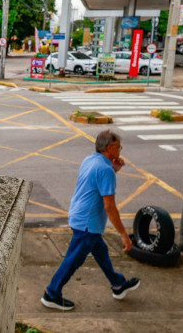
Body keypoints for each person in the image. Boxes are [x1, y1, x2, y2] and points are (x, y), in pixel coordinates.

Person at [41, 130, 140, 311]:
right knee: (73, 260)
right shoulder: (105, 170)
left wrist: (114, 169)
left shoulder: (90, 160)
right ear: (110, 148)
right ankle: (51, 294)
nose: (120, 150)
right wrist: (124, 234)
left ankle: (118, 284)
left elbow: (96, 183)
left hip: (81, 216)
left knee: (101, 253)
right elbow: (109, 206)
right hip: (87, 224)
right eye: (118, 147)